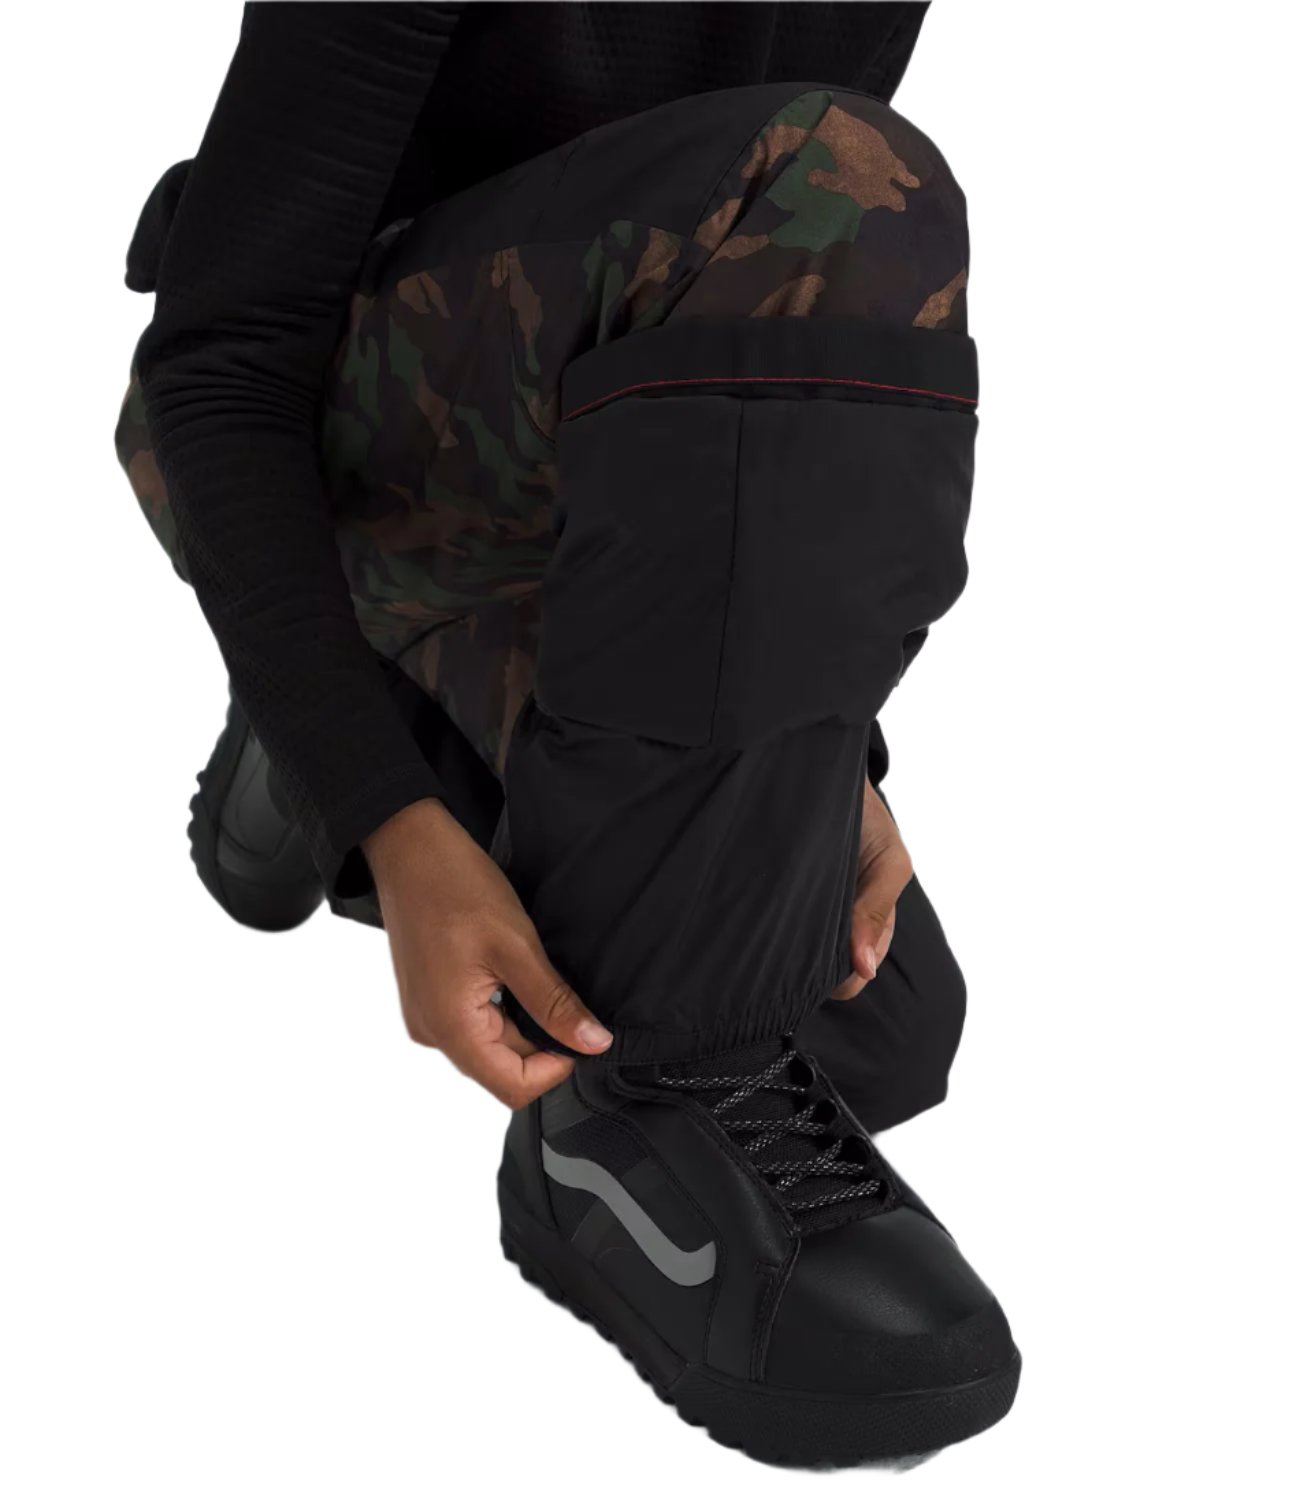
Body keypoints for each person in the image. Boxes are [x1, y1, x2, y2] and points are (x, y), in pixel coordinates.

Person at [116, 1, 1018, 1466]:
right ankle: (614, 1139)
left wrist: (823, 741)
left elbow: (748, 377)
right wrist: (386, 816)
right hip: (323, 428)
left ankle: (375, 684)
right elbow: (218, 367)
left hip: (582, 442)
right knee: (841, 176)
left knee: (883, 1026)